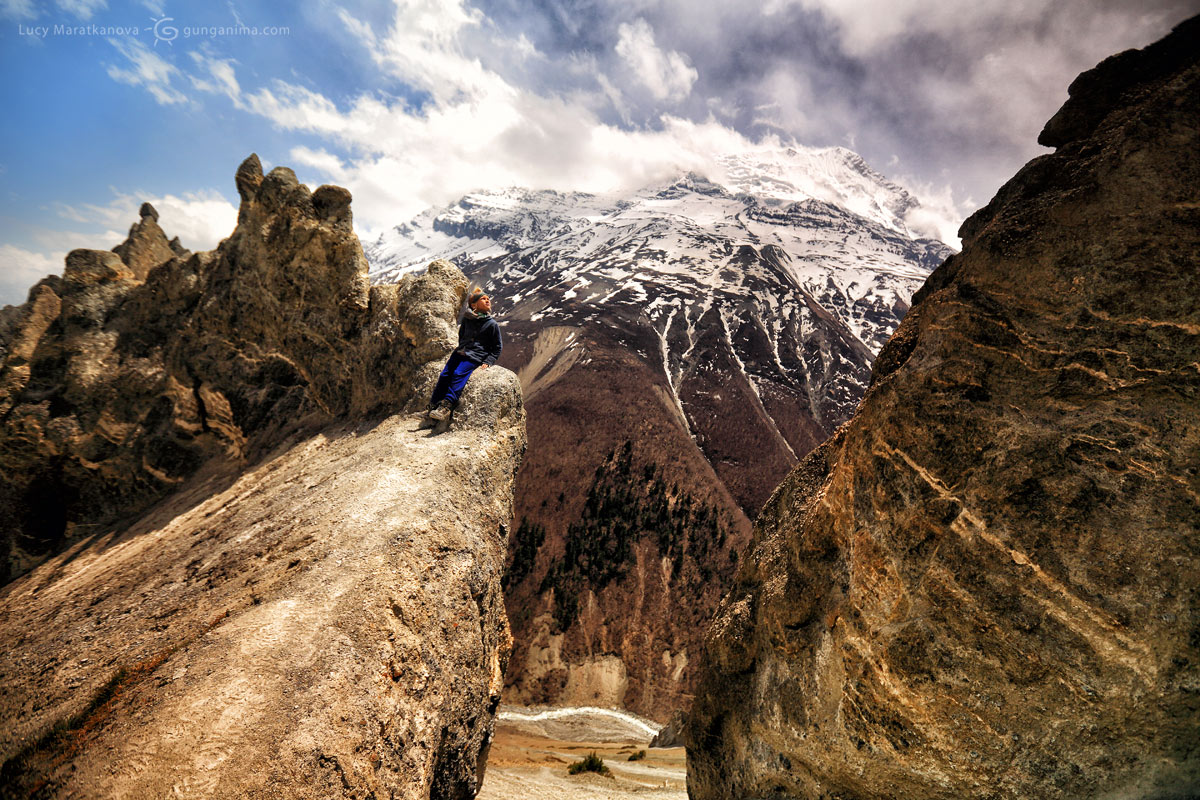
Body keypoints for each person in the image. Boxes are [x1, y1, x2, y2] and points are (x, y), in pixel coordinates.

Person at [427, 287, 502, 422]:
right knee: (445, 375)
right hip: (460, 353)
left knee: (458, 374)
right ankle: (433, 406)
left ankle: (447, 406)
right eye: (483, 299)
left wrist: (489, 360)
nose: (487, 300)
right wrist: (462, 348)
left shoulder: (492, 324)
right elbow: (462, 336)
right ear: (474, 305)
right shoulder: (467, 319)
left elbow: (497, 346)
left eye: (488, 299)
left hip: (475, 356)